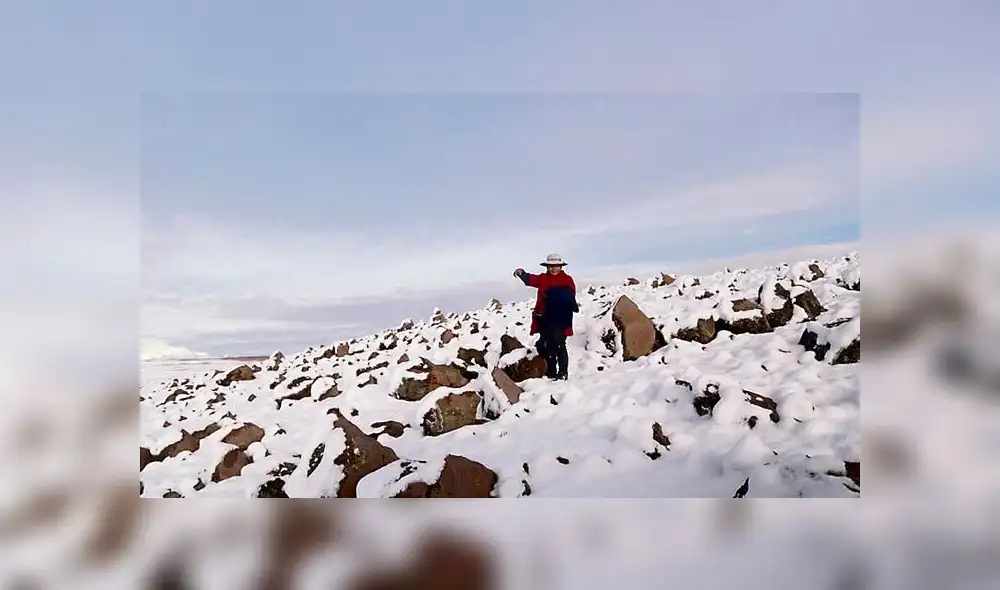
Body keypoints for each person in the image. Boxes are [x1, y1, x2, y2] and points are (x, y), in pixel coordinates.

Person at [513, 253, 580, 380]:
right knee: (547, 345)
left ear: (561, 267)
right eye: (551, 266)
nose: (554, 269)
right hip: (545, 318)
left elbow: (570, 299)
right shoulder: (543, 279)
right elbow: (531, 279)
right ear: (547, 267)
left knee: (560, 345)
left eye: (556, 266)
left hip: (561, 319)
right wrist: (522, 273)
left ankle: (563, 373)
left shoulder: (567, 280)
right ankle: (551, 372)